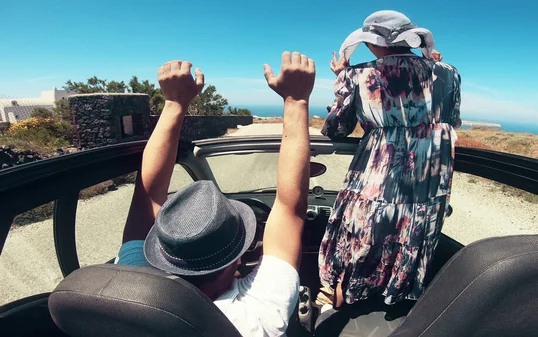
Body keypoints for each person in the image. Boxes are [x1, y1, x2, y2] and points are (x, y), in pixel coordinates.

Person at [115, 52, 316, 336]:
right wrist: (296, 101)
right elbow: (290, 208)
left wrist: (173, 103)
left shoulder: (130, 298)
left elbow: (148, 197)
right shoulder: (257, 319)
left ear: (161, 253)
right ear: (237, 259)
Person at [318, 10, 462, 310]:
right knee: (411, 238)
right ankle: (397, 304)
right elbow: (453, 121)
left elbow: (336, 128)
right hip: (430, 181)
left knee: (364, 237)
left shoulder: (358, 74)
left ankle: (342, 307)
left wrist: (341, 81)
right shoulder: (449, 73)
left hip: (379, 177)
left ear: (372, 43)